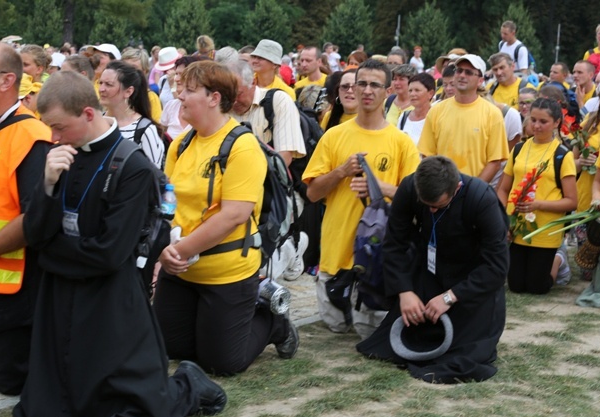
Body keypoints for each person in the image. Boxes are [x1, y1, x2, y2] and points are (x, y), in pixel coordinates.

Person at [0, 70, 226, 417]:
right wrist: (45, 185)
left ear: (88, 114)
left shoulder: (133, 167)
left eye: (59, 128)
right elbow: (35, 231)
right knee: (55, 393)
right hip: (61, 293)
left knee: (128, 404)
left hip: (109, 298)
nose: (53, 138)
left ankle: (188, 386)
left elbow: (108, 253)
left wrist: (50, 250)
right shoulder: (61, 154)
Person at [153, 61, 297, 376]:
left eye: (189, 90)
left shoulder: (242, 146)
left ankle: (273, 322)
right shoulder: (182, 143)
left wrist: (180, 251)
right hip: (181, 268)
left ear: (214, 98)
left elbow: (235, 214)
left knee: (222, 364)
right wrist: (163, 246)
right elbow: (166, 203)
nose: (180, 95)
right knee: (171, 348)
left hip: (226, 272)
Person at [356, 156, 509, 383]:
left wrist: (449, 298)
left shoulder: (481, 199)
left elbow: (497, 267)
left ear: (456, 188)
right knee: (387, 345)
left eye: (438, 206)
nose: (432, 211)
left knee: (464, 355)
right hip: (430, 270)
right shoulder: (410, 188)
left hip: (471, 279)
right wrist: (405, 292)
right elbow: (394, 244)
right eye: (426, 205)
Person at [303, 59, 420, 339]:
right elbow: (312, 193)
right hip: (335, 255)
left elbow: (416, 196)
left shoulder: (401, 142)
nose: (367, 90)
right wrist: (341, 172)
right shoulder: (334, 136)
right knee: (336, 330)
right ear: (354, 88)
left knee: (371, 334)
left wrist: (381, 188)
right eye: (362, 84)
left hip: (377, 258)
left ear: (387, 90)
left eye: (374, 85)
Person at [0, 41, 53, 396]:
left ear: (7, 81)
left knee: (9, 382)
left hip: (10, 287)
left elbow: (34, 217)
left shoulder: (31, 137)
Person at [227, 59, 308, 280]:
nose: (233, 101)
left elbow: (285, 158)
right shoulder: (223, 108)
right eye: (228, 94)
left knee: (263, 270)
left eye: (238, 93)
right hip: (235, 192)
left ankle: (292, 246)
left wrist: (248, 184)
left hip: (274, 190)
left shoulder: (278, 101)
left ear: (252, 82)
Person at [497, 97, 577, 294]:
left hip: (545, 229)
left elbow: (571, 201)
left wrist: (538, 205)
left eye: (543, 121)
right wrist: (504, 219)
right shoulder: (518, 149)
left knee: (537, 287)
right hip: (517, 227)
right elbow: (502, 189)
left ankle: (558, 259)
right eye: (533, 120)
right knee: (516, 286)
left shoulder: (562, 155)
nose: (536, 126)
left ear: (556, 123)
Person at [419, 54, 509, 183]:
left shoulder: (492, 114)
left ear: (480, 81)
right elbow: (427, 155)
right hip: (441, 192)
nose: (462, 75)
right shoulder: (436, 111)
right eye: (459, 70)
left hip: (474, 194)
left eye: (468, 72)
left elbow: (495, 162)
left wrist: (472, 191)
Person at [576, 87, 600, 306]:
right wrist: (581, 163)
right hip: (592, 199)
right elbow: (571, 162)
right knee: (587, 268)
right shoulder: (592, 126)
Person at [99, 61, 165, 168]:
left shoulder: (144, 130)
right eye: (100, 83)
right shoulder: (96, 122)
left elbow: (153, 175)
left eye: (108, 84)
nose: (101, 89)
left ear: (128, 91)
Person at [161, 56, 204, 140]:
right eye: (176, 74)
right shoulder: (171, 106)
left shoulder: (204, 110)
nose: (176, 79)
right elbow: (162, 136)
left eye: (182, 74)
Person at [121, 47, 163, 123]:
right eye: (125, 67)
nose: (128, 71)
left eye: (133, 68)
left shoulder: (150, 98)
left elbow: (157, 126)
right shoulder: (116, 94)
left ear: (144, 71)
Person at [398, 72, 435, 145]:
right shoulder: (404, 117)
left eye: (417, 90)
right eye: (410, 91)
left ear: (430, 93)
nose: (412, 94)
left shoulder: (435, 118)